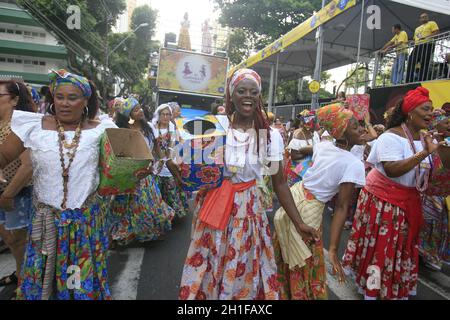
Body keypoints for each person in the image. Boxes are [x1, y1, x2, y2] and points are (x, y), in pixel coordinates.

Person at [179, 68, 318, 300]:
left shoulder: (269, 135)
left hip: (248, 210)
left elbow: (280, 183)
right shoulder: (215, 127)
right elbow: (193, 170)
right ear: (231, 95)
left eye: (254, 92)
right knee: (210, 261)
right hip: (214, 206)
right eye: (241, 90)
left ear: (259, 97)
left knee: (244, 266)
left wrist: (299, 222)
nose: (248, 96)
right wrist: (180, 166)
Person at [0, 69, 123, 300]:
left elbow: (125, 162)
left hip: (84, 227)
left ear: (85, 101)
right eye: (59, 97)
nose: (64, 103)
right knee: (44, 283)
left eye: (72, 98)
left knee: (78, 285)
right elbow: (4, 156)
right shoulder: (34, 125)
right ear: (52, 98)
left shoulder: (101, 129)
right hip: (46, 225)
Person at [342, 87, 447, 300]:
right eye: (425, 109)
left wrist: (439, 155)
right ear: (410, 112)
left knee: (400, 249)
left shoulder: (426, 138)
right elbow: (391, 169)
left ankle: (393, 289)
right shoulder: (390, 137)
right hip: (384, 202)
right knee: (381, 251)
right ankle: (373, 290)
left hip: (408, 201)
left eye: (432, 110)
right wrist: (424, 153)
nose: (430, 114)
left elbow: (430, 172)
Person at [274, 104, 366, 300]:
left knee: (287, 256)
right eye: (356, 126)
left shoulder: (323, 146)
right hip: (309, 211)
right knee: (304, 261)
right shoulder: (354, 163)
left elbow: (297, 153)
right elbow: (341, 207)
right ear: (341, 131)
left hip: (292, 200)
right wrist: (332, 250)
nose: (362, 130)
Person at [108, 97, 175, 246]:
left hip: (146, 174)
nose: (140, 111)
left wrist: (162, 161)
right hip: (129, 175)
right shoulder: (122, 130)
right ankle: (121, 234)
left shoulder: (148, 127)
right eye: (136, 110)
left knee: (147, 205)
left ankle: (149, 232)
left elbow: (156, 147)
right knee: (125, 207)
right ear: (129, 114)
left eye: (140, 107)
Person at [0, 81, 35, 295]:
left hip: (19, 192)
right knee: (9, 238)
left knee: (20, 240)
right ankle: (20, 273)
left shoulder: (21, 126)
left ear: (14, 99)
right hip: (3, 192)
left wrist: (8, 193)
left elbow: (28, 165)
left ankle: (26, 284)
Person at [418, 109, 450, 270]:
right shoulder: (427, 144)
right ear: (437, 126)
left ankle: (429, 254)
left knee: (435, 228)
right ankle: (421, 253)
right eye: (447, 123)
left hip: (439, 197)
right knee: (424, 226)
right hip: (424, 195)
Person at [151, 104, 189, 219]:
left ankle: (172, 216)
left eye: (168, 114)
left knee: (171, 190)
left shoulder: (172, 128)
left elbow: (172, 146)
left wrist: (168, 159)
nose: (166, 117)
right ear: (159, 115)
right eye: (163, 114)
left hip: (168, 164)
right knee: (156, 194)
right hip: (154, 166)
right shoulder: (152, 127)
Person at [285, 110, 320, 187]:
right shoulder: (298, 136)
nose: (315, 125)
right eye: (313, 123)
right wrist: (308, 152)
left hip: (310, 171)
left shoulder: (315, 134)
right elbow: (294, 156)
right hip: (298, 173)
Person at [406, 13, 439, 83]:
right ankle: (408, 80)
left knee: (424, 62)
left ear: (428, 17)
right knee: (411, 61)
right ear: (420, 19)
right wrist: (410, 42)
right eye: (422, 17)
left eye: (425, 17)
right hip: (417, 46)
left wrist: (426, 37)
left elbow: (436, 32)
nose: (424, 18)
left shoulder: (432, 23)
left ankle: (421, 80)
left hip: (428, 44)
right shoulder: (417, 28)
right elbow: (415, 39)